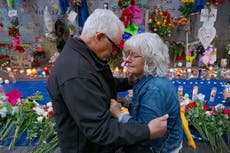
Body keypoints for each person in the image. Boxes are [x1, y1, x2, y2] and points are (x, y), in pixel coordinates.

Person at [47, 9, 168, 153]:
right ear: (99, 37)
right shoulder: (77, 73)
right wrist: (147, 130)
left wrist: (127, 82)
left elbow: (99, 82)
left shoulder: (85, 55)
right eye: (114, 46)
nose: (113, 52)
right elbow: (100, 130)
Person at [110, 32, 183, 153]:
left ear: (150, 60)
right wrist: (125, 102)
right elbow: (142, 107)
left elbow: (146, 132)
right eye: (128, 55)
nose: (127, 60)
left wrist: (119, 115)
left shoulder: (153, 89)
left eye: (134, 56)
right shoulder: (146, 79)